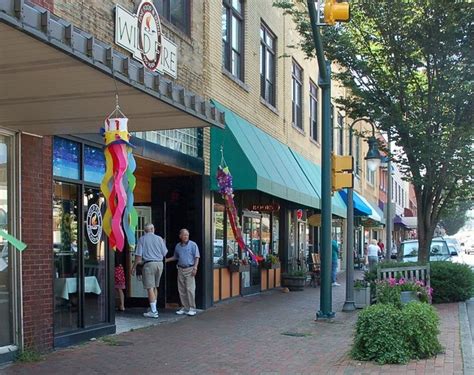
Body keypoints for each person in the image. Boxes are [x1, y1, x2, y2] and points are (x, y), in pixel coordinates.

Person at [132, 223, 168, 318]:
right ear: (153, 229)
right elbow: (165, 253)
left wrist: (134, 267)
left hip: (149, 264)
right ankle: (154, 308)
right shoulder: (160, 239)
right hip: (160, 264)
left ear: (144, 231)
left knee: (150, 288)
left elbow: (138, 257)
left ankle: (154, 311)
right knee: (155, 286)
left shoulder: (142, 239)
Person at [166, 229, 200, 316]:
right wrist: (166, 260)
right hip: (180, 269)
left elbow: (197, 257)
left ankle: (192, 308)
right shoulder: (178, 246)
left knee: (190, 289)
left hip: (190, 268)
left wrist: (195, 268)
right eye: (184, 235)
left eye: (187, 235)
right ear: (180, 236)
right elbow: (175, 257)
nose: (185, 237)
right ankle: (185, 307)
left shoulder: (193, 245)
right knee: (181, 289)